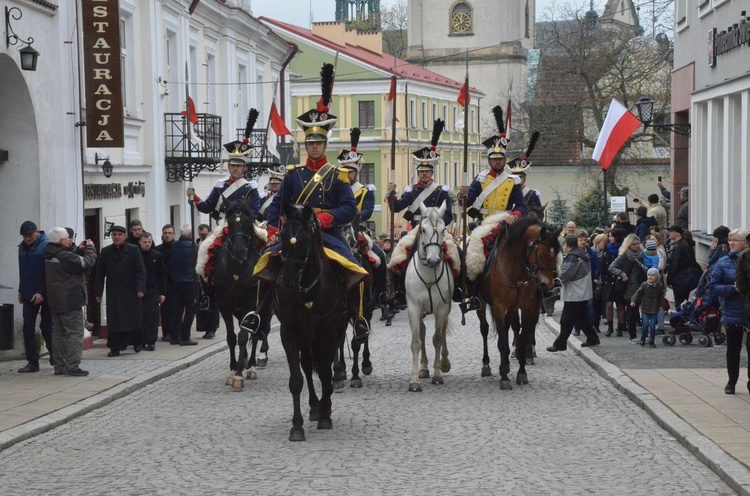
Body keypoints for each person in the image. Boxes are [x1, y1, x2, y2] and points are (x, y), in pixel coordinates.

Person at [255, 63, 370, 341]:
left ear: (325, 144)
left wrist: (326, 218)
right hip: (295, 235)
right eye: (310, 143)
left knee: (354, 268)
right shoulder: (294, 175)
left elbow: (349, 208)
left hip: (328, 235)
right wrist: (272, 231)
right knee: (265, 265)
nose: (315, 146)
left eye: (319, 143)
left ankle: (357, 317)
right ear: (306, 145)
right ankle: (257, 315)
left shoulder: (338, 175)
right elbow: (276, 206)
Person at [337, 127, 387, 302]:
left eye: (350, 171)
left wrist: (356, 215)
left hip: (358, 230)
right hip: (337, 229)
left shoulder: (366, 191)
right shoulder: (335, 189)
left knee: (380, 257)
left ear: (356, 172)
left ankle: (381, 294)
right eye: (344, 170)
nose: (347, 174)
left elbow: (368, 210)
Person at [186, 109, 261, 222]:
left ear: (244, 167)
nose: (235, 168)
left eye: (238, 166)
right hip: (223, 225)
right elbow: (208, 207)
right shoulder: (220, 185)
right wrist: (194, 196)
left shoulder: (251, 187)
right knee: (210, 241)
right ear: (229, 166)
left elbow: (255, 211)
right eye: (232, 165)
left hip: (244, 226)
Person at [457, 106, 527, 225]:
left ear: (505, 160)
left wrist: (514, 216)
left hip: (505, 224)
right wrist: (461, 195)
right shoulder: (480, 178)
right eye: (494, 159)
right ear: (489, 161)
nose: (498, 162)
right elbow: (468, 202)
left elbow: (521, 205)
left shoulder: (514, 181)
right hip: (484, 223)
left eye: (500, 159)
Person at [44, 227, 97, 376]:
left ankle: (59, 366)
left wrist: (78, 250)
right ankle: (73, 366)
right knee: (74, 333)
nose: (71, 240)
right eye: (69, 238)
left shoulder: (49, 253)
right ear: (62, 241)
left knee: (58, 334)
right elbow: (87, 262)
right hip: (70, 300)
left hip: (55, 301)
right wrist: (90, 249)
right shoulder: (64, 256)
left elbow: (68, 260)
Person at [389, 120, 455, 229]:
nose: (424, 174)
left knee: (452, 246)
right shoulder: (411, 191)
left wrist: (438, 226)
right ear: (418, 173)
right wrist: (392, 194)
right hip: (416, 229)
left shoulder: (441, 191)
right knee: (402, 246)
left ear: (432, 173)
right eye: (421, 171)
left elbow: (448, 215)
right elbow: (396, 208)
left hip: (436, 229)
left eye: (427, 171)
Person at [95, 225, 146, 357]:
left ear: (125, 236)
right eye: (114, 235)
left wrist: (140, 288)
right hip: (114, 291)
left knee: (131, 318)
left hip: (131, 290)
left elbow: (140, 271)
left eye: (119, 235)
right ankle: (115, 347)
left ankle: (136, 342)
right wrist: (98, 293)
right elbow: (100, 274)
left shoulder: (134, 250)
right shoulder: (106, 251)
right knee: (115, 320)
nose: (117, 237)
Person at [708, 229, 749, 394]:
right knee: (733, 350)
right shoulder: (723, 262)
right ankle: (732, 381)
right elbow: (712, 286)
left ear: (746, 243)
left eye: (736, 240)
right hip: (733, 312)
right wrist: (732, 289)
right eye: (730, 240)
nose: (731, 243)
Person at [546, 234, 600, 352]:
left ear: (568, 245)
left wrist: (554, 282)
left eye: (564, 244)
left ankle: (560, 343)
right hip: (582, 291)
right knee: (581, 317)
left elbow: (566, 274)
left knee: (566, 319)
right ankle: (592, 338)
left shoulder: (573, 257)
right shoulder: (582, 254)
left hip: (575, 293)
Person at [17, 220, 53, 373]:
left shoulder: (46, 246)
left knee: (46, 327)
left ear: (37, 232)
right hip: (27, 293)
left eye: (30, 236)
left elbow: (49, 273)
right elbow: (23, 271)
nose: (27, 239)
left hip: (45, 293)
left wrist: (42, 292)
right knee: (27, 328)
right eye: (25, 236)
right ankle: (32, 362)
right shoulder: (22, 248)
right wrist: (21, 290)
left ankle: (55, 355)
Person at [608, 233, 647, 343]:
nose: (636, 246)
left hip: (640, 284)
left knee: (641, 311)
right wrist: (622, 274)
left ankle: (644, 335)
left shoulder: (642, 254)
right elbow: (612, 267)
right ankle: (632, 335)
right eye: (633, 244)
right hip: (628, 287)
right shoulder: (624, 256)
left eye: (637, 244)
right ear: (628, 245)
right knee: (632, 311)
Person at [169, 224, 199, 346]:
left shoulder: (174, 245)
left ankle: (175, 335)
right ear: (190, 235)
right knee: (191, 309)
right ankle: (185, 336)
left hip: (177, 281)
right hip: (191, 281)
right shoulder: (194, 246)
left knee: (177, 308)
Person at [137, 232, 166, 351]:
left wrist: (162, 293)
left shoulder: (157, 255)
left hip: (153, 290)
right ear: (140, 242)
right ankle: (140, 340)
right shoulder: (136, 255)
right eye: (145, 242)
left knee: (152, 316)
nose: (147, 244)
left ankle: (151, 341)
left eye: (149, 242)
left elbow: (162, 275)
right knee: (140, 316)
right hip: (138, 290)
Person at [666, 225, 700, 309]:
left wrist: (669, 279)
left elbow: (674, 264)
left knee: (680, 302)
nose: (669, 233)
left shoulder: (678, 246)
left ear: (677, 233)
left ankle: (679, 319)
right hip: (686, 278)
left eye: (671, 231)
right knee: (684, 301)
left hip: (680, 279)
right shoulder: (685, 244)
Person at [631, 268, 666, 347]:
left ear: (657, 277)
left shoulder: (659, 286)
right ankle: (643, 338)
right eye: (648, 275)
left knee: (652, 326)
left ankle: (652, 341)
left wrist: (661, 305)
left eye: (652, 275)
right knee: (645, 325)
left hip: (654, 309)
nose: (650, 277)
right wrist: (633, 301)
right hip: (645, 308)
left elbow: (661, 296)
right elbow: (637, 293)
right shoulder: (644, 285)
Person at [601, 227, 626, 337]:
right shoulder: (607, 248)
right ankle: (610, 327)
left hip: (619, 279)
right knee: (609, 304)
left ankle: (620, 327)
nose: (610, 238)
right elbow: (603, 263)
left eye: (612, 236)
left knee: (620, 305)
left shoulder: (623, 249)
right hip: (608, 279)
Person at [156, 224, 175, 342]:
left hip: (175, 282)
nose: (167, 235)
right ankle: (166, 332)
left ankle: (174, 332)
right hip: (162, 282)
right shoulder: (158, 250)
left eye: (169, 233)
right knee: (165, 309)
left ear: (174, 234)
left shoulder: (177, 247)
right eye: (165, 233)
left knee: (175, 308)